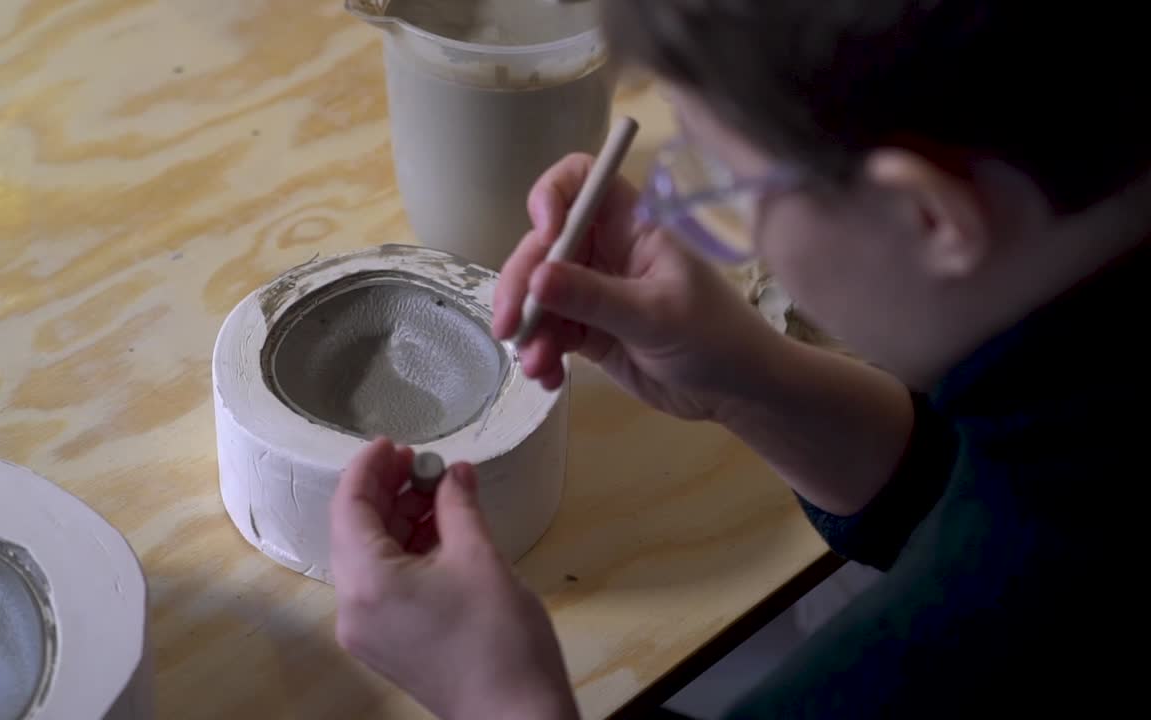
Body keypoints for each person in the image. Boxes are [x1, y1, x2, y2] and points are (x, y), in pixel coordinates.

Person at [327, 1, 1149, 717]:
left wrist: (498, 698)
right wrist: (752, 379)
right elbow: (981, 484)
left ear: (926, 218)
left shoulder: (953, 663)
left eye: (731, 180)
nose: (734, 226)